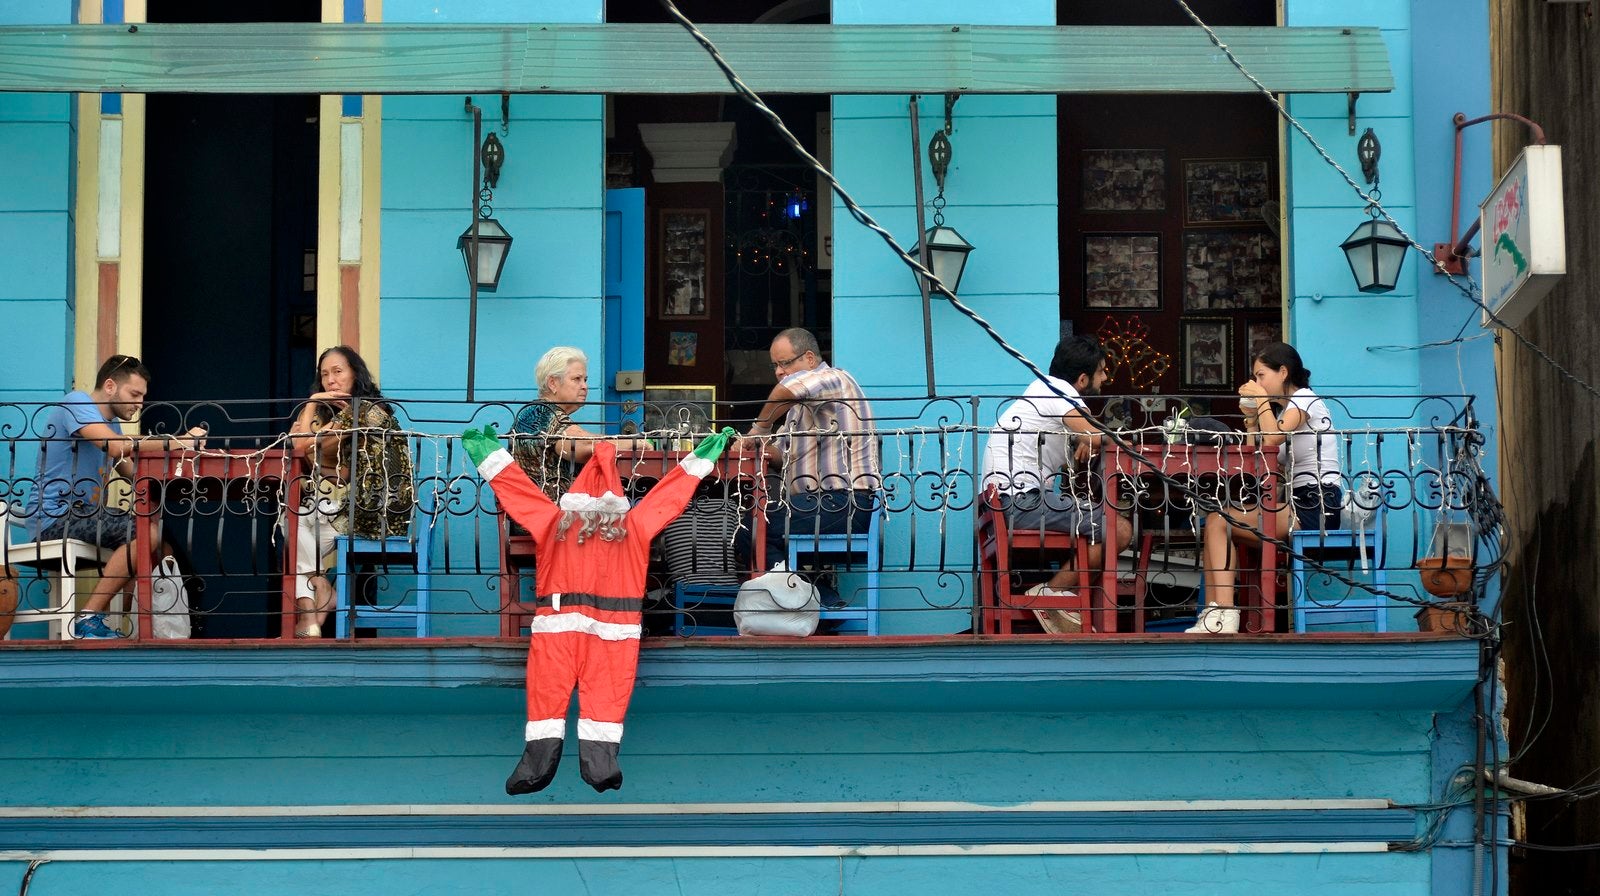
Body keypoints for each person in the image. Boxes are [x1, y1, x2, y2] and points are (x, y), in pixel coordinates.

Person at [462, 424, 736, 794]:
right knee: (606, 694)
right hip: (615, 630)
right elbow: (673, 491)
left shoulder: (553, 520)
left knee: (547, 692)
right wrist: (709, 450)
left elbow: (515, 489)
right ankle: (600, 766)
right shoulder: (635, 524)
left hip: (557, 627)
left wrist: (483, 450)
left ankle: (537, 765)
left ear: (574, 496)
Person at [23, 355, 205, 639]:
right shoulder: (77, 402)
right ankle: (89, 618)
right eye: (134, 394)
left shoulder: (113, 427)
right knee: (146, 533)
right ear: (109, 386)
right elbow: (114, 447)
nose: (139, 403)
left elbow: (132, 473)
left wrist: (182, 471)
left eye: (143, 396)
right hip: (54, 517)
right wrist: (179, 440)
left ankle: (127, 625)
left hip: (81, 514)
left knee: (158, 540)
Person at [1189, 342, 1342, 634]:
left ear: (1283, 372)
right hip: (1298, 502)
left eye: (1261, 375)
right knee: (1216, 521)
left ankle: (1224, 616)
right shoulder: (1286, 411)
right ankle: (1213, 614)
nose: (1257, 382)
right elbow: (1259, 461)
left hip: (1316, 504)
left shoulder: (1305, 399)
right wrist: (1250, 422)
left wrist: (1261, 401)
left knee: (1220, 521)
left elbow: (1272, 440)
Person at [979, 336, 1133, 623]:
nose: (1106, 376)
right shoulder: (1055, 389)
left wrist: (1088, 438)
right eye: (1102, 370)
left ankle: (1059, 599)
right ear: (1083, 379)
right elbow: (1093, 432)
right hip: (1020, 502)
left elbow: (1087, 431)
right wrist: (1102, 437)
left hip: (1008, 503)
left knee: (1099, 529)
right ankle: (1050, 596)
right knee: (1119, 529)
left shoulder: (1044, 392)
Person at [287, 346, 414, 639]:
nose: (330, 380)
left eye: (338, 371)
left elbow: (299, 445)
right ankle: (318, 594)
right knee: (293, 522)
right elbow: (334, 470)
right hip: (368, 507)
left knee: (292, 521)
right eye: (324, 376)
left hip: (374, 512)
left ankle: (314, 602)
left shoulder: (363, 410)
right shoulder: (352, 414)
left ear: (355, 374)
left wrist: (312, 402)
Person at [737, 328, 881, 572]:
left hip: (845, 503)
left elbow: (786, 390)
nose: (778, 371)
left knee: (750, 531)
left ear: (810, 359)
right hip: (817, 505)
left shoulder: (836, 379)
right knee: (753, 530)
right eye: (775, 365)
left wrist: (760, 428)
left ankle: (803, 598)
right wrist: (752, 446)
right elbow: (781, 455)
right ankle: (816, 596)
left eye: (785, 363)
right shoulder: (796, 410)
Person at [510, 346, 647, 501]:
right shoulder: (541, 414)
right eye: (577, 379)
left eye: (585, 380)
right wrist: (635, 443)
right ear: (553, 383)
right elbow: (582, 446)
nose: (584, 386)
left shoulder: (542, 412)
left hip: (554, 513)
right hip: (547, 517)